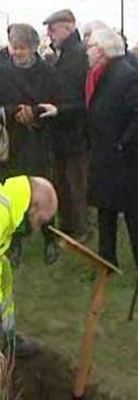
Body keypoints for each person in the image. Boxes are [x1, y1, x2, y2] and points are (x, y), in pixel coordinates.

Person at [85, 28, 138, 283]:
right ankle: (106, 261)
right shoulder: (100, 73)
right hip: (105, 157)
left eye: (92, 45)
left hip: (127, 161)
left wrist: (123, 143)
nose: (88, 49)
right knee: (106, 212)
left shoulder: (126, 75)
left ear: (103, 50)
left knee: (136, 215)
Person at [1, 23, 60, 266]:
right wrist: (13, 111)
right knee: (14, 192)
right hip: (12, 142)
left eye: (23, 48)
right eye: (15, 47)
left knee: (43, 190)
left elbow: (56, 103)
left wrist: (34, 112)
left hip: (38, 140)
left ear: (34, 48)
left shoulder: (48, 72)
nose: (18, 52)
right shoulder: (2, 71)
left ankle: (50, 239)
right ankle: (14, 242)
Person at [38, 9, 91, 244]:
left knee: (76, 186)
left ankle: (81, 233)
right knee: (63, 185)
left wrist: (60, 110)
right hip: (60, 133)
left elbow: (86, 99)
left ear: (69, 26)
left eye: (53, 28)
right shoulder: (63, 54)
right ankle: (69, 230)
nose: (49, 33)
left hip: (76, 134)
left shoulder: (79, 55)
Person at [0, 174, 58, 356]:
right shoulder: (2, 214)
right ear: (33, 207)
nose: (35, 229)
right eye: (40, 221)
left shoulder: (10, 207)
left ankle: (8, 338)